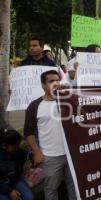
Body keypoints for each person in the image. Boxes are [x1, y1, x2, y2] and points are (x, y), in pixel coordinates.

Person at [24, 70, 76, 200]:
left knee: (73, 185)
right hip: (50, 157)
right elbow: (28, 133)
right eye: (51, 81)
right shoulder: (35, 106)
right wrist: (37, 152)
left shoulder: (67, 100)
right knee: (51, 188)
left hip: (71, 155)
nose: (56, 83)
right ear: (43, 85)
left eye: (57, 80)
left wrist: (69, 92)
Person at [0, 129, 33, 200]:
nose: (17, 148)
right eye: (15, 147)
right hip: (1, 185)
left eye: (18, 146)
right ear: (4, 146)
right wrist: (9, 191)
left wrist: (31, 155)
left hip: (15, 180)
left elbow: (26, 154)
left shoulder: (18, 152)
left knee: (29, 197)